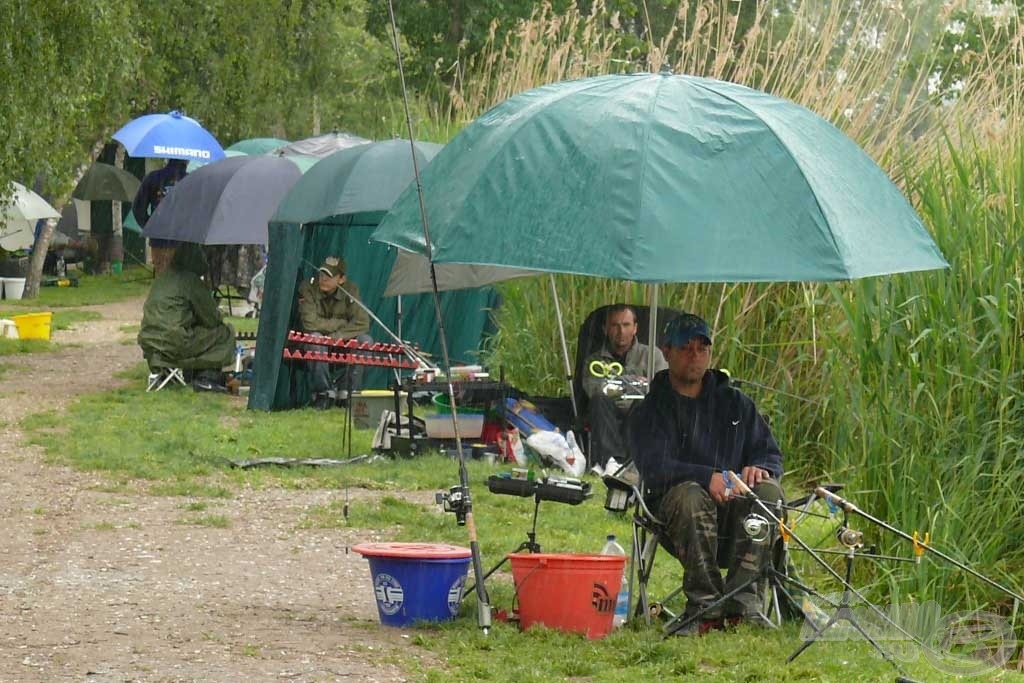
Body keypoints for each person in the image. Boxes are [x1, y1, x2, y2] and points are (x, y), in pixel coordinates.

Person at [629, 312, 783, 634]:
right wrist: (706, 476)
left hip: (736, 512)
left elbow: (770, 453)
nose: (695, 355)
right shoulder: (650, 409)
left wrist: (760, 468)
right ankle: (706, 605)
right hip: (678, 516)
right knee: (690, 495)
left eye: (703, 347)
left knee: (770, 492)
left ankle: (742, 603)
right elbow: (654, 467)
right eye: (686, 347)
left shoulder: (736, 403)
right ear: (666, 351)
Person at [581, 304, 667, 474]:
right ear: (606, 329)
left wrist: (617, 387)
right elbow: (594, 390)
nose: (621, 331)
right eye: (615, 325)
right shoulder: (594, 362)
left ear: (635, 328)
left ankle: (628, 462)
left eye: (626, 325)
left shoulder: (653, 355)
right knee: (599, 400)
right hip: (607, 413)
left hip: (640, 413)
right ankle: (612, 461)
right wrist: (635, 383)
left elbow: (663, 388)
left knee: (646, 403)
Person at [137, 243, 236, 389]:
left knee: (195, 335)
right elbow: (211, 319)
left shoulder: (162, 277)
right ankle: (207, 376)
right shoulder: (190, 280)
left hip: (150, 342)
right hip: (173, 343)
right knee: (224, 333)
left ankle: (179, 373)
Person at [297, 256, 371, 409]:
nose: (323, 279)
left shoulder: (351, 290)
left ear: (341, 279)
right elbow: (310, 323)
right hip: (316, 341)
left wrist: (335, 337)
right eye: (322, 274)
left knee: (366, 341)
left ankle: (347, 393)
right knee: (315, 339)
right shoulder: (308, 287)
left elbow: (362, 323)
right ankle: (323, 394)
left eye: (329, 276)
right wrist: (341, 324)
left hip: (341, 340)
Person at [132, 158, 187, 275]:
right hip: (185, 241)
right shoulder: (192, 179)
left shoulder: (153, 178)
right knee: (182, 280)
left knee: (162, 280)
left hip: (159, 240)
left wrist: (150, 227)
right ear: (186, 160)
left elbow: (138, 209)